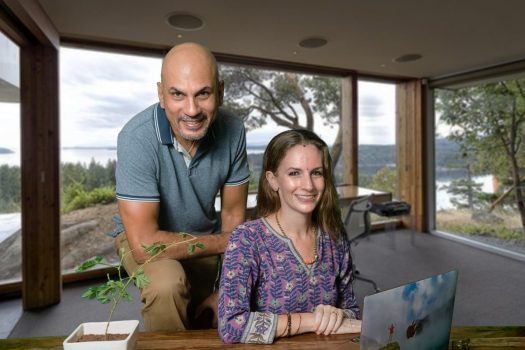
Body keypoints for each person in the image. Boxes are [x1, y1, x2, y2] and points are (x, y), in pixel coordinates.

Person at [113, 42, 250, 332]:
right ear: (161, 94)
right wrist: (226, 241)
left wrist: (226, 287)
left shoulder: (234, 130)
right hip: (141, 238)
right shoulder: (135, 138)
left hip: (204, 232)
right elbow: (145, 245)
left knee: (217, 308)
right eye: (178, 94)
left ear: (221, 92)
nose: (191, 110)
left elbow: (233, 217)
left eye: (203, 93)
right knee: (167, 285)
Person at [218, 129, 361, 344]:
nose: (309, 185)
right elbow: (231, 326)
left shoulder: (335, 238)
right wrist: (311, 321)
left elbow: (351, 311)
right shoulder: (247, 239)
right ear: (273, 180)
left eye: (317, 173)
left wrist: (338, 315)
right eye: (294, 173)